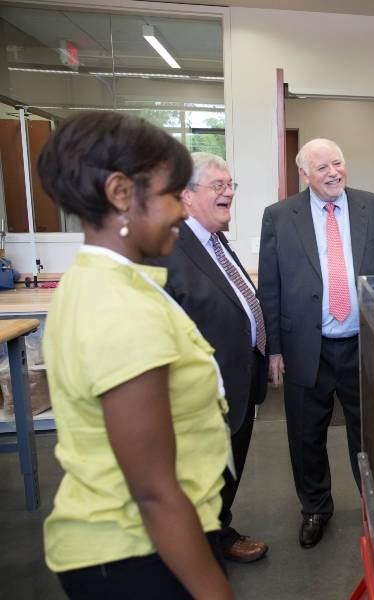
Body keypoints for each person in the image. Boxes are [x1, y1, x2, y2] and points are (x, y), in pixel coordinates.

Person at [38, 112, 233, 598]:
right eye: (172, 196)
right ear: (122, 194)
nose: (183, 212)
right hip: (132, 554)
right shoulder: (118, 307)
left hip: (132, 544)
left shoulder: (102, 281)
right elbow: (154, 493)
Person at [258, 138, 374, 549]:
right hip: (308, 345)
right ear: (304, 174)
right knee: (306, 436)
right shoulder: (280, 217)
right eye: (321, 167)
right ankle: (316, 508)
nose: (332, 172)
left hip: (363, 345)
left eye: (338, 163)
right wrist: (275, 349)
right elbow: (270, 287)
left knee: (370, 434)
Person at [148, 153, 269, 564]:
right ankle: (197, 551)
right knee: (201, 474)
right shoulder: (170, 249)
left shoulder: (215, 241)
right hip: (200, 394)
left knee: (226, 472)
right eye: (218, 185)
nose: (229, 192)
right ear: (186, 194)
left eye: (231, 184)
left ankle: (218, 531)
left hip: (239, 380)